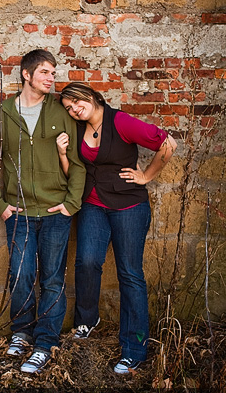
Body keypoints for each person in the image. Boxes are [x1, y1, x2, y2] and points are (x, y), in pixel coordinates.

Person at [58, 82, 177, 375]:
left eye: (76, 102)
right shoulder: (77, 129)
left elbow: (168, 144)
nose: (74, 110)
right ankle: (87, 320)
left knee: (130, 274)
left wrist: (146, 176)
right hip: (94, 205)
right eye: (68, 108)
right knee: (86, 261)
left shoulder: (120, 121)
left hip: (128, 206)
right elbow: (74, 171)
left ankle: (134, 349)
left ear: (92, 96)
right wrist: (62, 154)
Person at [0, 49, 86, 374]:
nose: (51, 79)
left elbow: (79, 164)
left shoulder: (62, 112)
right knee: (22, 275)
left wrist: (71, 204)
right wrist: (0, 205)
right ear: (26, 74)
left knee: (52, 279)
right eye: (45, 73)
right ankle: (22, 333)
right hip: (20, 212)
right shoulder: (0, 116)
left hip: (55, 212)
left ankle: (45, 343)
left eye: (53, 73)